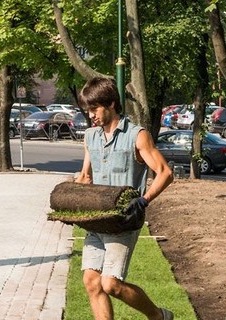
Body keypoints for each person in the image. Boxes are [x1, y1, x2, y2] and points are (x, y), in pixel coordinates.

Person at [74, 77, 175, 320]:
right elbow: (85, 176)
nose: (91, 116)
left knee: (110, 284)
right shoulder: (91, 137)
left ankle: (159, 316)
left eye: (94, 109)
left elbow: (165, 173)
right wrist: (72, 202)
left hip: (123, 222)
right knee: (91, 281)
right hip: (97, 220)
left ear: (110, 104)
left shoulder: (136, 135)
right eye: (88, 110)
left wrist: (144, 200)